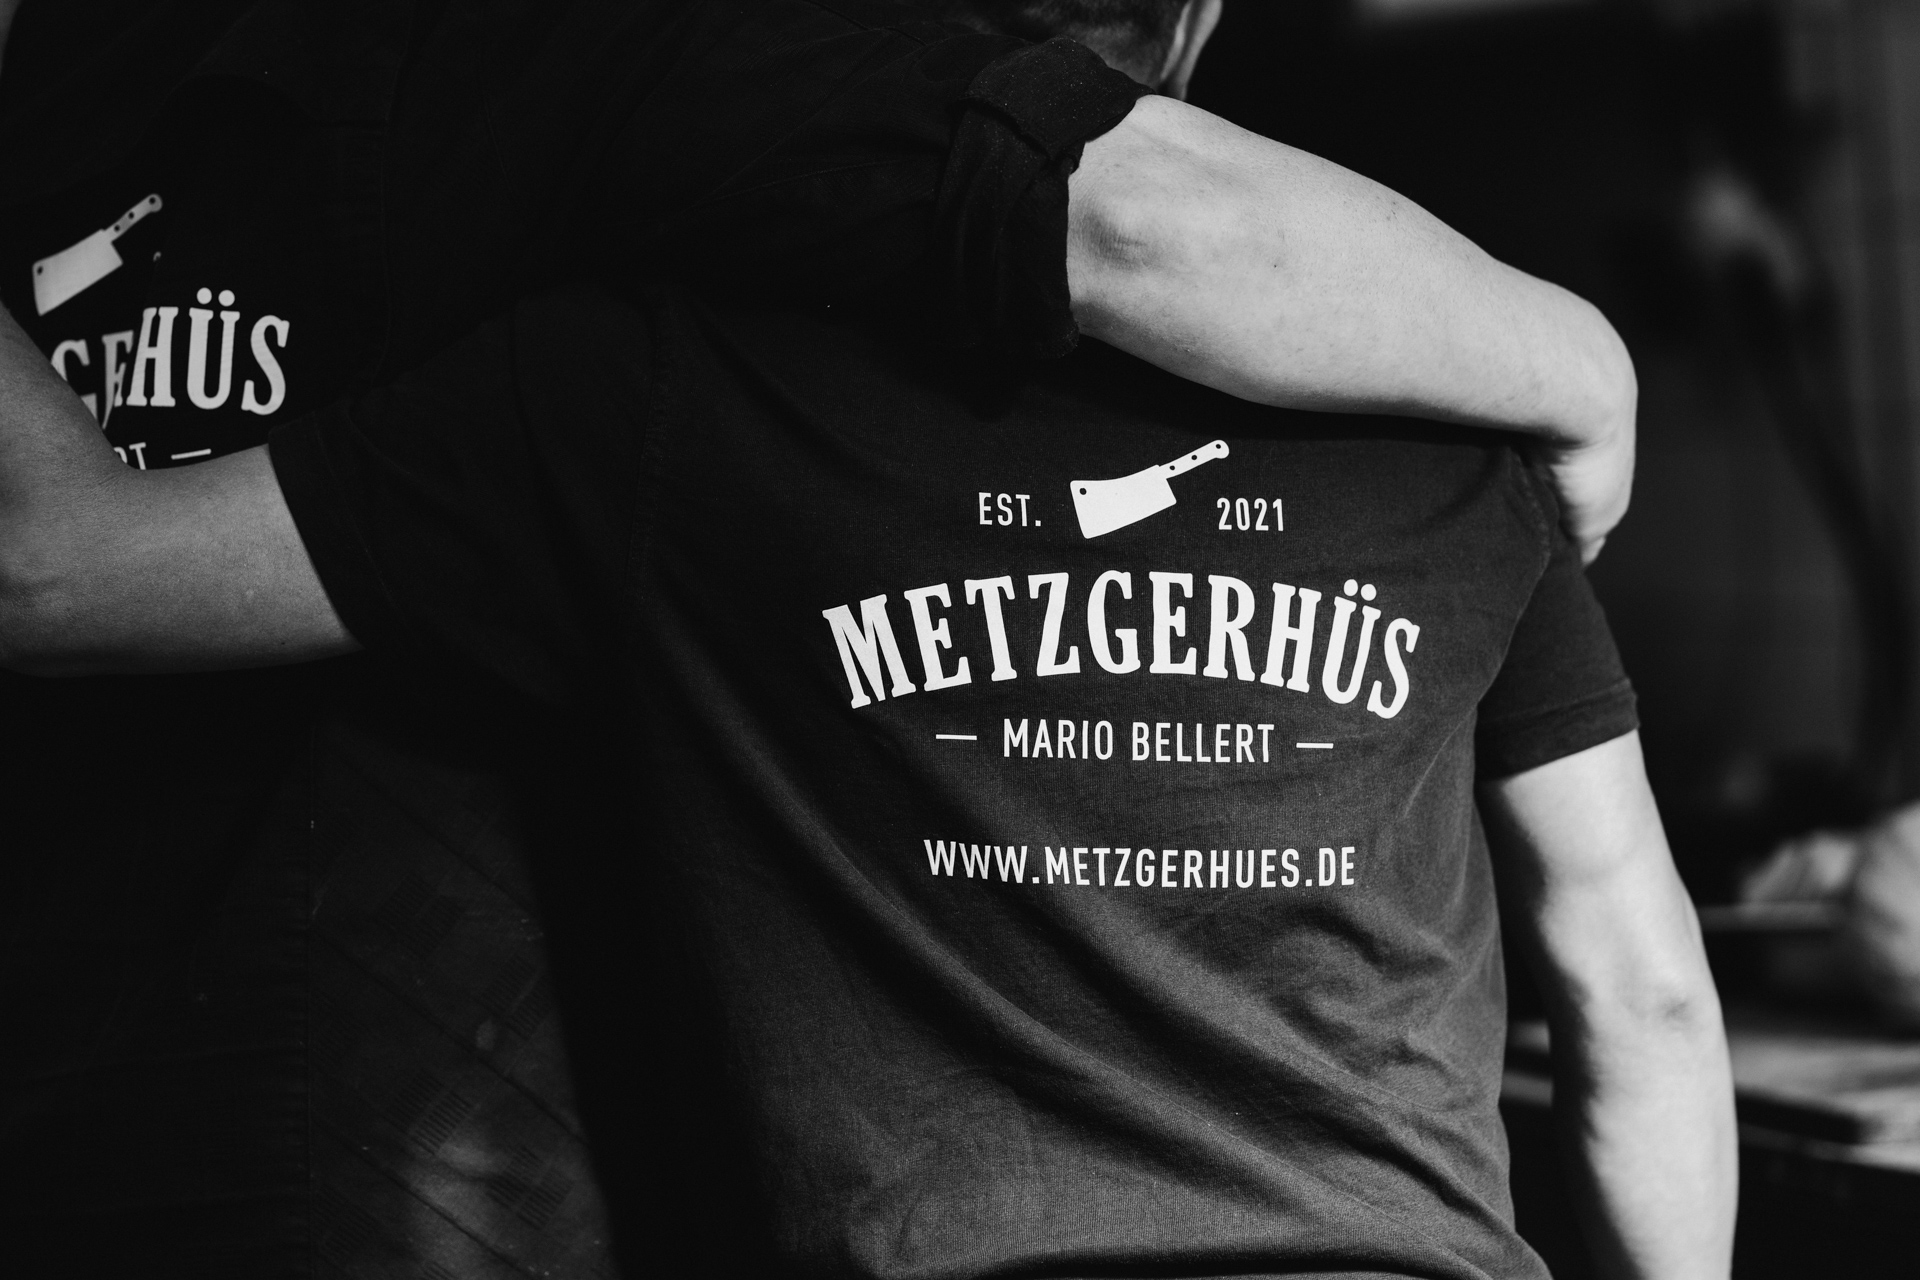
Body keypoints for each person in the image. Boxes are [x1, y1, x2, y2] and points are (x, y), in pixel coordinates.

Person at [4, 5, 1730, 1279]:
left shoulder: (644, 401)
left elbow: (58, 572)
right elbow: (1640, 990)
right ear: (1196, 36)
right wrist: (1586, 372)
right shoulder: (1460, 420)